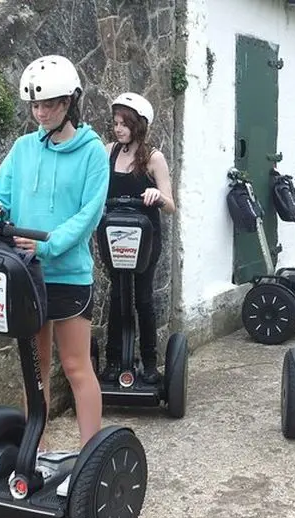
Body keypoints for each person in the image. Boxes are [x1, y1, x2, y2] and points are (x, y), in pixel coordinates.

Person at [0, 55, 108, 495]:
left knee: (75, 367)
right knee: (33, 369)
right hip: (25, 273)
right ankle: (33, 454)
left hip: (68, 274)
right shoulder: (22, 149)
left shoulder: (93, 152)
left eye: (51, 105)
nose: (41, 113)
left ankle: (91, 464)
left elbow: (88, 215)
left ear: (70, 102)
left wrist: (49, 242)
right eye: (36, 106)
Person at [98, 92, 176, 385]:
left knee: (142, 298)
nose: (118, 129)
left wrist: (157, 196)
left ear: (139, 125)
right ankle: (113, 361)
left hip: (145, 239)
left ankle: (150, 363)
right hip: (113, 235)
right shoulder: (108, 152)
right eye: (116, 122)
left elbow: (171, 205)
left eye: (125, 123)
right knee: (117, 296)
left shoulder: (154, 158)